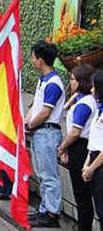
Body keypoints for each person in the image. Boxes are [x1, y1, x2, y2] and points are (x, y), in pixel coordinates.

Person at [25, 41, 64, 228]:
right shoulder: (44, 81)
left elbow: (45, 112)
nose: (31, 61)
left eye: (33, 58)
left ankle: (52, 213)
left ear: (40, 60)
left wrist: (31, 124)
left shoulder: (54, 84)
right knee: (41, 173)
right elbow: (35, 107)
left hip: (47, 132)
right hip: (40, 132)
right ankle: (44, 209)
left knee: (49, 175)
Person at [58, 64, 96, 231]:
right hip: (82, 147)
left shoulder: (84, 104)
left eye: (73, 79)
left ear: (81, 81)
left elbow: (75, 132)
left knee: (82, 196)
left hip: (80, 148)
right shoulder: (85, 100)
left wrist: (62, 147)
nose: (71, 82)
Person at [83, 70, 103, 226]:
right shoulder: (99, 110)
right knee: (99, 208)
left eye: (94, 87)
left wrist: (91, 168)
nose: (91, 90)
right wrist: (86, 165)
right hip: (94, 160)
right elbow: (94, 141)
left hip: (99, 164)